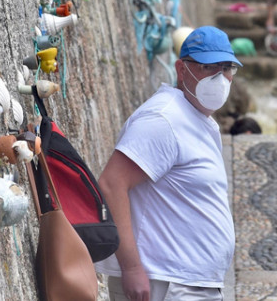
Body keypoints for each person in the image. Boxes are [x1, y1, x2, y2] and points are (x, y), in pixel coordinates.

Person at [96, 26, 242, 301]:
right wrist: (132, 268)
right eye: (209, 67)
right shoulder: (163, 119)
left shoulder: (196, 118)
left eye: (227, 68)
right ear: (181, 69)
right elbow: (111, 184)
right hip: (163, 283)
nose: (220, 78)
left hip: (189, 281)